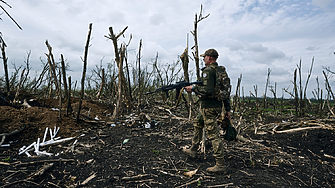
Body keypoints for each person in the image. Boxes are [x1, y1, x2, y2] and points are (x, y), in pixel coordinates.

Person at [183, 48, 231, 173]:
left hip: (208, 107)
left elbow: (208, 91)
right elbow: (224, 91)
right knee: (198, 123)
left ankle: (220, 164)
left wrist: (193, 89)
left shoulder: (209, 71)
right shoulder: (219, 71)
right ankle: (193, 150)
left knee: (213, 134)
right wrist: (227, 109)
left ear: (209, 58)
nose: (203, 59)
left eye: (204, 57)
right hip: (213, 106)